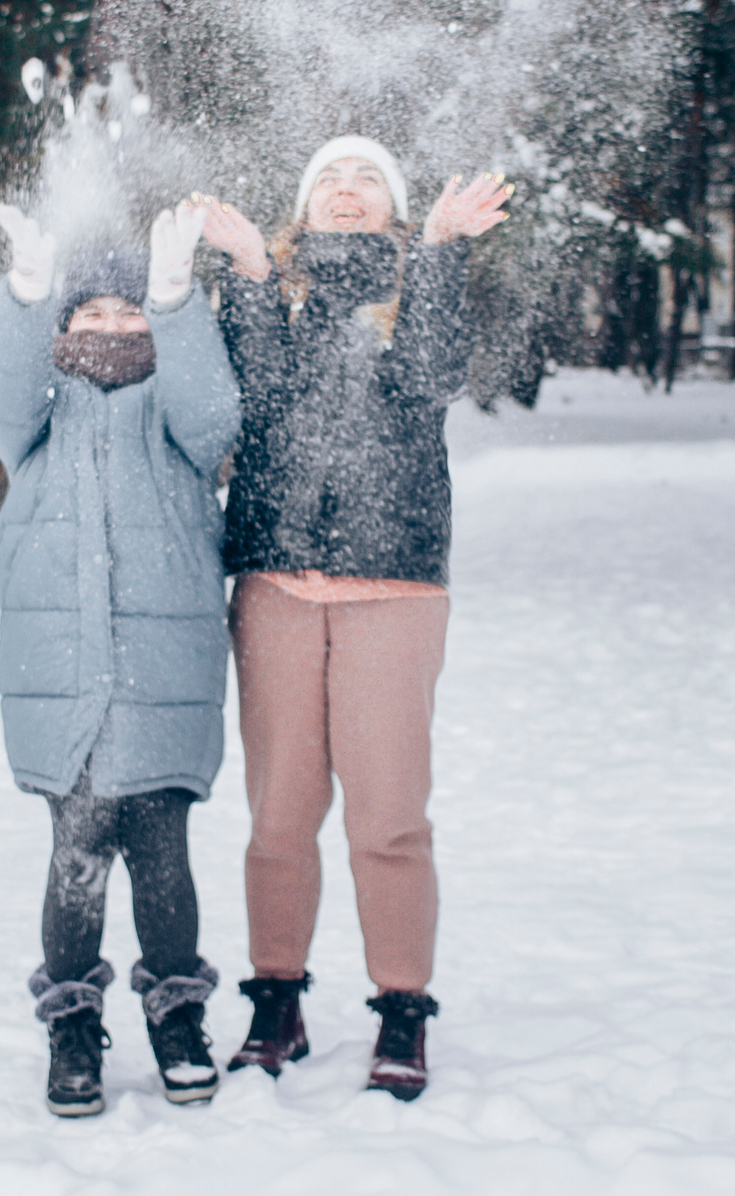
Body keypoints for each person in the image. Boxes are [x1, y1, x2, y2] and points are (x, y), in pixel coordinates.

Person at [197, 137, 511, 1100]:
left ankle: (402, 1008)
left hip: (394, 587)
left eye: (367, 177)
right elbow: (256, 398)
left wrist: (445, 252)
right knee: (279, 816)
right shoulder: (273, 295)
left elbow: (428, 377)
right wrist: (251, 275)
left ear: (394, 208)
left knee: (388, 818)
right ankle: (275, 1003)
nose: (346, 188)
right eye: (329, 177)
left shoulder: (417, 293)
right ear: (304, 205)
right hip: (276, 585)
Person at [0, 198, 242, 1118]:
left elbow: (216, 414)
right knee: (78, 851)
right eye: (90, 310)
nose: (111, 325)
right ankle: (72, 1025)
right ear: (63, 326)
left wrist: (176, 298)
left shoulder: (174, 416)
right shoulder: (38, 423)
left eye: (130, 313)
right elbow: (3, 387)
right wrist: (25, 291)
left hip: (162, 678)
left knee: (163, 855)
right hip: (65, 677)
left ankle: (177, 1016)